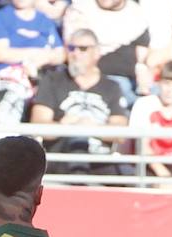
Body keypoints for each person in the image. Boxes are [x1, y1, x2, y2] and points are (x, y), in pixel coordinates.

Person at [29, 28, 130, 174]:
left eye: (83, 49)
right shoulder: (52, 80)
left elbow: (120, 133)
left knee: (131, 176)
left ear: (96, 53)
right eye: (71, 48)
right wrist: (65, 126)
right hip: (61, 159)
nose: (75, 54)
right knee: (78, 137)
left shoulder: (111, 87)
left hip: (100, 160)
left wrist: (91, 127)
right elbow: (38, 124)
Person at [0, 0, 66, 121]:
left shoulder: (44, 20)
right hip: (8, 79)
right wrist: (36, 54)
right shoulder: (1, 17)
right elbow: (0, 53)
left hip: (41, 77)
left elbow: (60, 54)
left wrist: (41, 60)